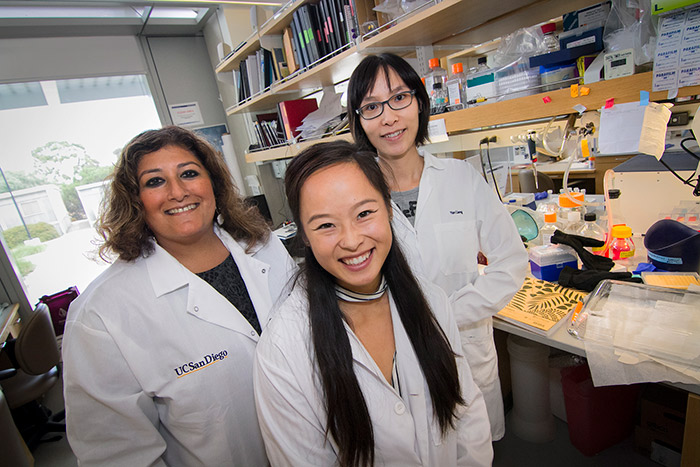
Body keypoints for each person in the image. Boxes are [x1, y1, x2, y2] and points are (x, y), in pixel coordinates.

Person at [62, 126, 297, 466]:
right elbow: (118, 453)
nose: (177, 192)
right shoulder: (100, 314)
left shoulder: (265, 247)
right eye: (155, 181)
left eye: (189, 173)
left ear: (213, 183)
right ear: (135, 200)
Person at [254, 140, 493, 466]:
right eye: (326, 225)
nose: (351, 240)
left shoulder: (431, 300)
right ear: (305, 237)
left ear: (389, 211)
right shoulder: (284, 348)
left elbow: (466, 413)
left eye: (364, 213)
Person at [347, 53, 528, 441]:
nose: (389, 117)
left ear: (419, 103)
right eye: (372, 106)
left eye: (400, 97)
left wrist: (448, 313)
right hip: (396, 358)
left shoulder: (462, 178)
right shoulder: (356, 194)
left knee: (475, 447)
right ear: (359, 121)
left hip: (467, 347)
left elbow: (511, 263)